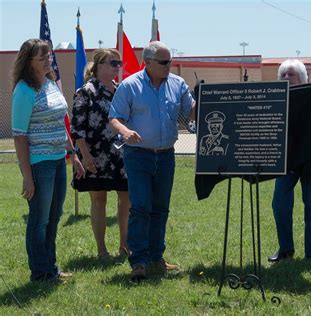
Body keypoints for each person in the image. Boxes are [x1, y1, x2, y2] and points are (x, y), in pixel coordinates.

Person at [109, 41, 195, 281]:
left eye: (171, 61)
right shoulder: (130, 86)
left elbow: (192, 111)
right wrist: (125, 132)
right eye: (164, 62)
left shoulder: (177, 84)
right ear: (147, 63)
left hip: (166, 154)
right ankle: (138, 260)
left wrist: (208, 99)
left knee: (160, 208)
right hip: (138, 154)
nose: (169, 66)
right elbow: (114, 117)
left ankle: (156, 257)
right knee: (140, 207)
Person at [11, 38, 85, 282]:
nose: (47, 60)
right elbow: (20, 136)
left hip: (57, 161)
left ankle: (51, 268)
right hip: (39, 163)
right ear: (28, 62)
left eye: (48, 56)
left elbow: (61, 123)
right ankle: (40, 272)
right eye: (41, 57)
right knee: (39, 219)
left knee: (54, 216)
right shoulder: (24, 89)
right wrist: (27, 177)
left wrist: (72, 154)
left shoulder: (51, 83)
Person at [268, 59, 311, 262]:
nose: (287, 78)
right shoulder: (276, 100)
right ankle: (285, 249)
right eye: (283, 75)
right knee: (280, 204)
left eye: (291, 74)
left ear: (303, 78)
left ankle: (310, 254)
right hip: (287, 161)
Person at [71, 48, 130, 259]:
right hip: (95, 155)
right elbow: (77, 128)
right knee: (99, 200)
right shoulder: (85, 91)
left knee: (127, 198)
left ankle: (124, 246)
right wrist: (85, 156)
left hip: (121, 156)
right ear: (98, 67)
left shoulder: (121, 90)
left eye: (118, 63)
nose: (117, 67)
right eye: (112, 63)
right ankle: (102, 250)